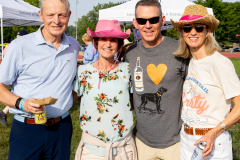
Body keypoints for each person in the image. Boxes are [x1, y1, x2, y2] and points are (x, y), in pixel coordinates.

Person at [0, 0, 79, 159]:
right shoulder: (19, 46)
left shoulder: (74, 45)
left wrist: (71, 100)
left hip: (62, 128)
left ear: (69, 16)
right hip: (27, 130)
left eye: (61, 15)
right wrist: (23, 103)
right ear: (41, 15)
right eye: (50, 15)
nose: (56, 21)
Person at [171, 4, 240, 159]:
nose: (193, 32)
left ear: (208, 31)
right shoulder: (188, 62)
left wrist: (214, 132)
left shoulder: (219, 63)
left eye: (199, 28)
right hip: (186, 138)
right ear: (182, 32)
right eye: (187, 28)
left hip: (213, 141)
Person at [125, 0, 188, 159]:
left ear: (162, 20)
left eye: (153, 20)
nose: (148, 25)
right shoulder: (129, 53)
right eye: (142, 20)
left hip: (175, 141)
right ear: (135, 23)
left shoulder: (180, 50)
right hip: (142, 140)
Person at [74, 20, 137, 160]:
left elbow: (134, 102)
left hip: (123, 150)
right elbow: (70, 101)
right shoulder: (83, 71)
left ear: (120, 44)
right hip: (92, 151)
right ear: (95, 42)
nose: (108, 44)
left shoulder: (127, 70)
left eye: (113, 40)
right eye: (103, 39)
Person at [0, 30, 29, 127]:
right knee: (18, 94)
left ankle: (3, 113)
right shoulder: (18, 46)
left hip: (9, 73)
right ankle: (3, 113)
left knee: (15, 94)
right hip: (14, 74)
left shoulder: (10, 45)